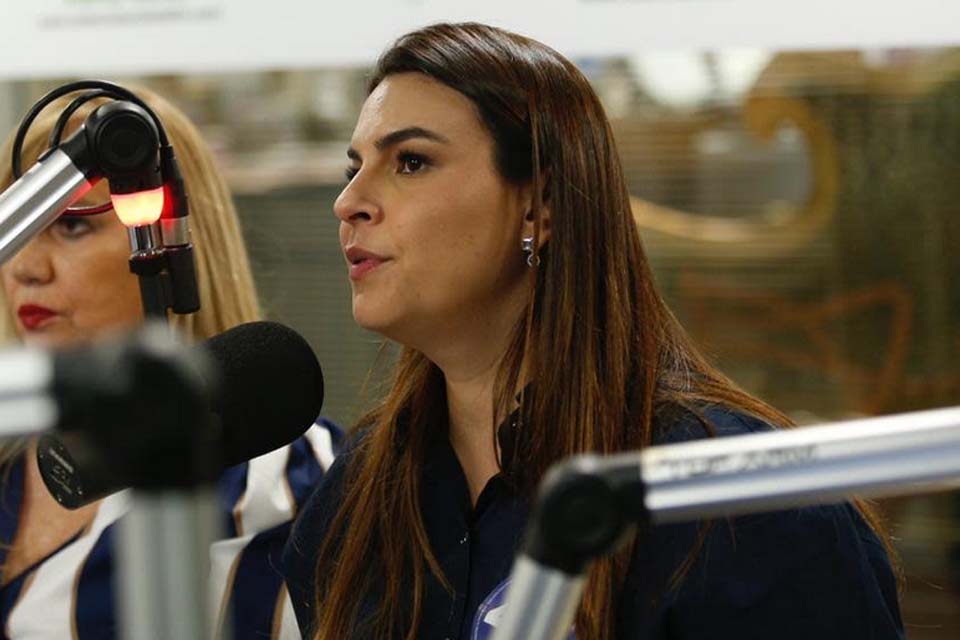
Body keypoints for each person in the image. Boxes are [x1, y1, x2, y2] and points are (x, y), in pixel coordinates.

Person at [281, 22, 903, 640]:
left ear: (539, 207)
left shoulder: (734, 500)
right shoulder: (353, 503)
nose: (349, 202)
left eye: (411, 162)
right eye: (353, 168)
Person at [0, 85, 338, 638]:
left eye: (72, 225)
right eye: (18, 225)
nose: (24, 268)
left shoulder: (280, 480)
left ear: (167, 238)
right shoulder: (13, 453)